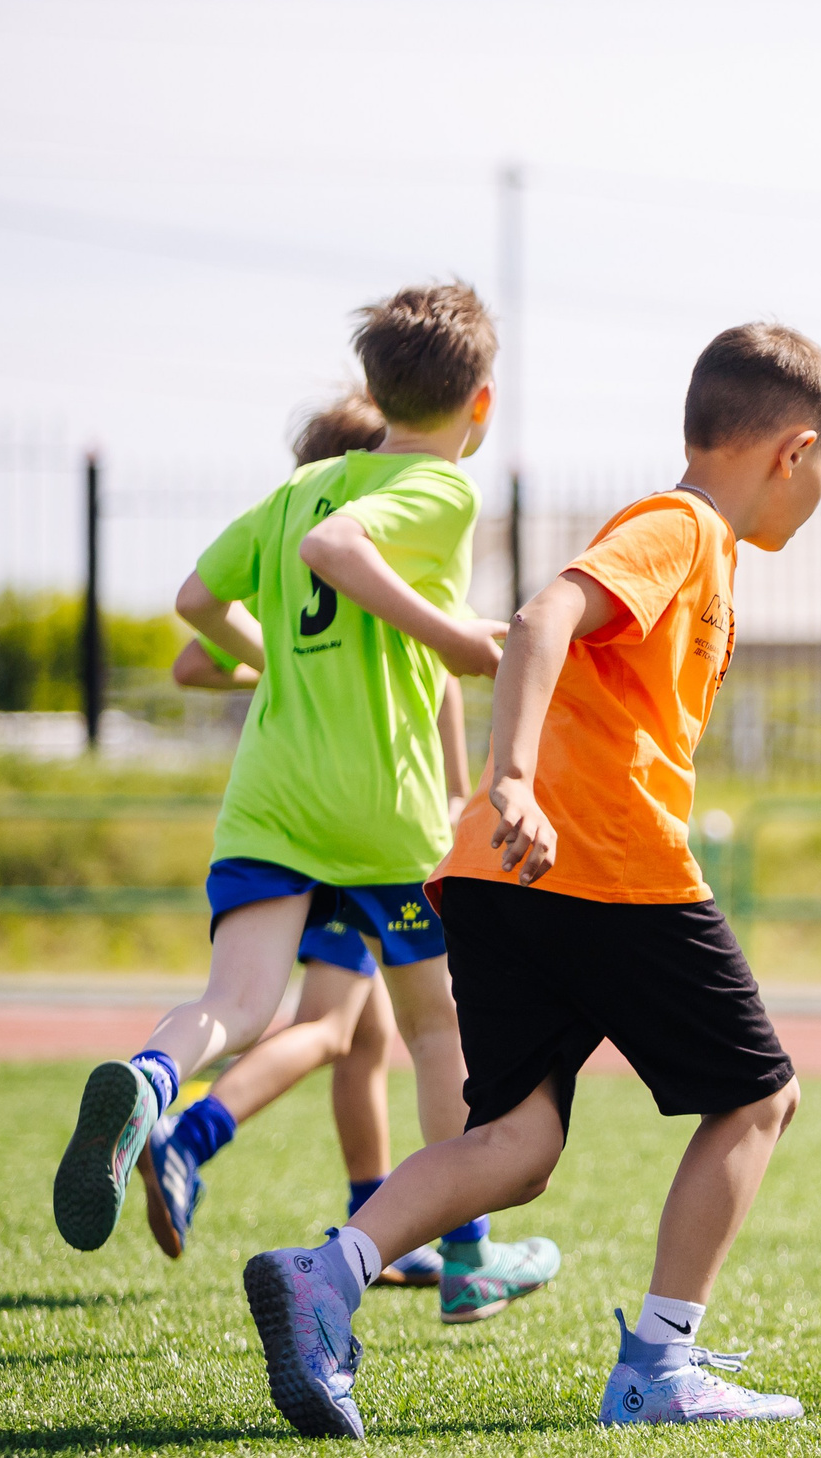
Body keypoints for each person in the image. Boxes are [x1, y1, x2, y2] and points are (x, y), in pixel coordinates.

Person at [241, 322, 821, 1439]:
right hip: (599, 862)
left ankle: (325, 1276)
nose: (815, 498)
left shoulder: (690, 540)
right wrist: (514, 776)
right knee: (759, 1096)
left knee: (517, 1145)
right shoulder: (682, 525)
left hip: (501, 872)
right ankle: (662, 1366)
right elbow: (543, 618)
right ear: (792, 451)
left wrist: (508, 800)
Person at [52, 285, 557, 1340]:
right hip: (380, 806)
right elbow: (342, 558)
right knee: (435, 1033)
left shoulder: (307, 484)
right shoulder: (444, 488)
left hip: (271, 796)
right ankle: (466, 1260)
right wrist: (459, 640)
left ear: (371, 390)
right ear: (483, 404)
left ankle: (153, 1085)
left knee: (235, 1005)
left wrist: (274, 658)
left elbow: (195, 600)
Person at [157, 388, 518, 1302]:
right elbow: (436, 688)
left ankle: (378, 1215)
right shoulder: (401, 547)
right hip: (376, 824)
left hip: (280, 811)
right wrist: (459, 795)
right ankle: (195, 1139)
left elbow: (190, 656)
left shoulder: (290, 528)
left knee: (358, 1037)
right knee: (344, 1028)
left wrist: (276, 659)